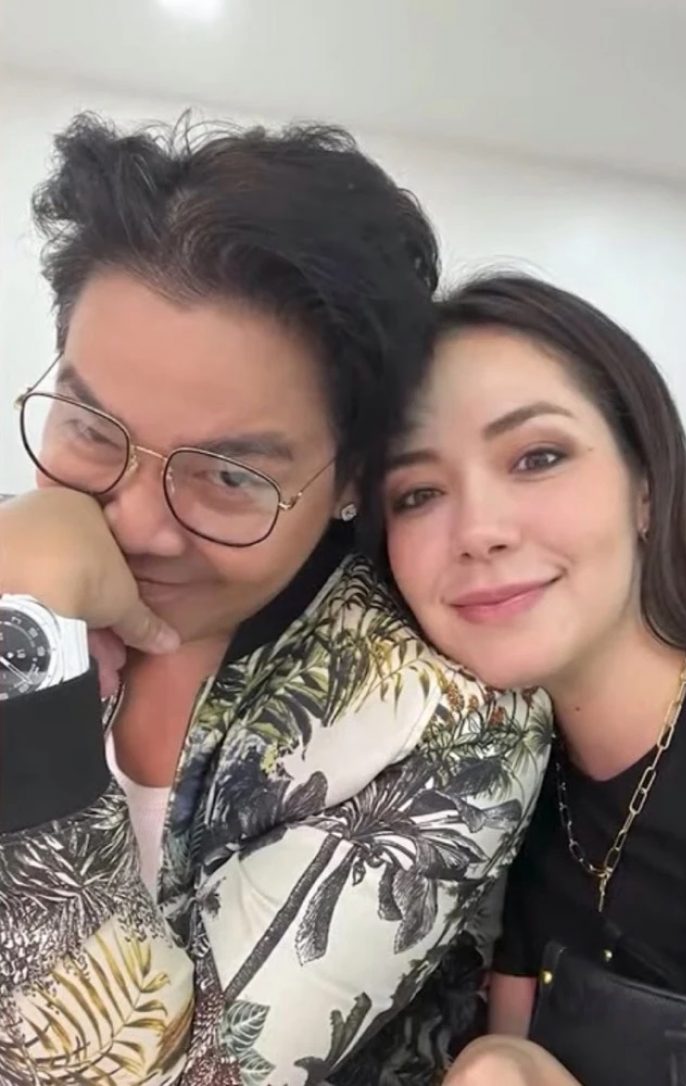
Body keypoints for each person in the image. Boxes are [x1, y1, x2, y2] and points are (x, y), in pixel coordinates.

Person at [0, 120, 551, 1086]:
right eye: (89, 427)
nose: (136, 524)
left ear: (351, 481)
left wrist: (24, 654)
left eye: (228, 476)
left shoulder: (443, 723)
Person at [383, 274, 686, 1085]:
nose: (478, 530)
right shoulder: (492, 793)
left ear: (645, 485)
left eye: (537, 457)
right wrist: (503, 1060)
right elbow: (522, 1048)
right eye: (417, 493)